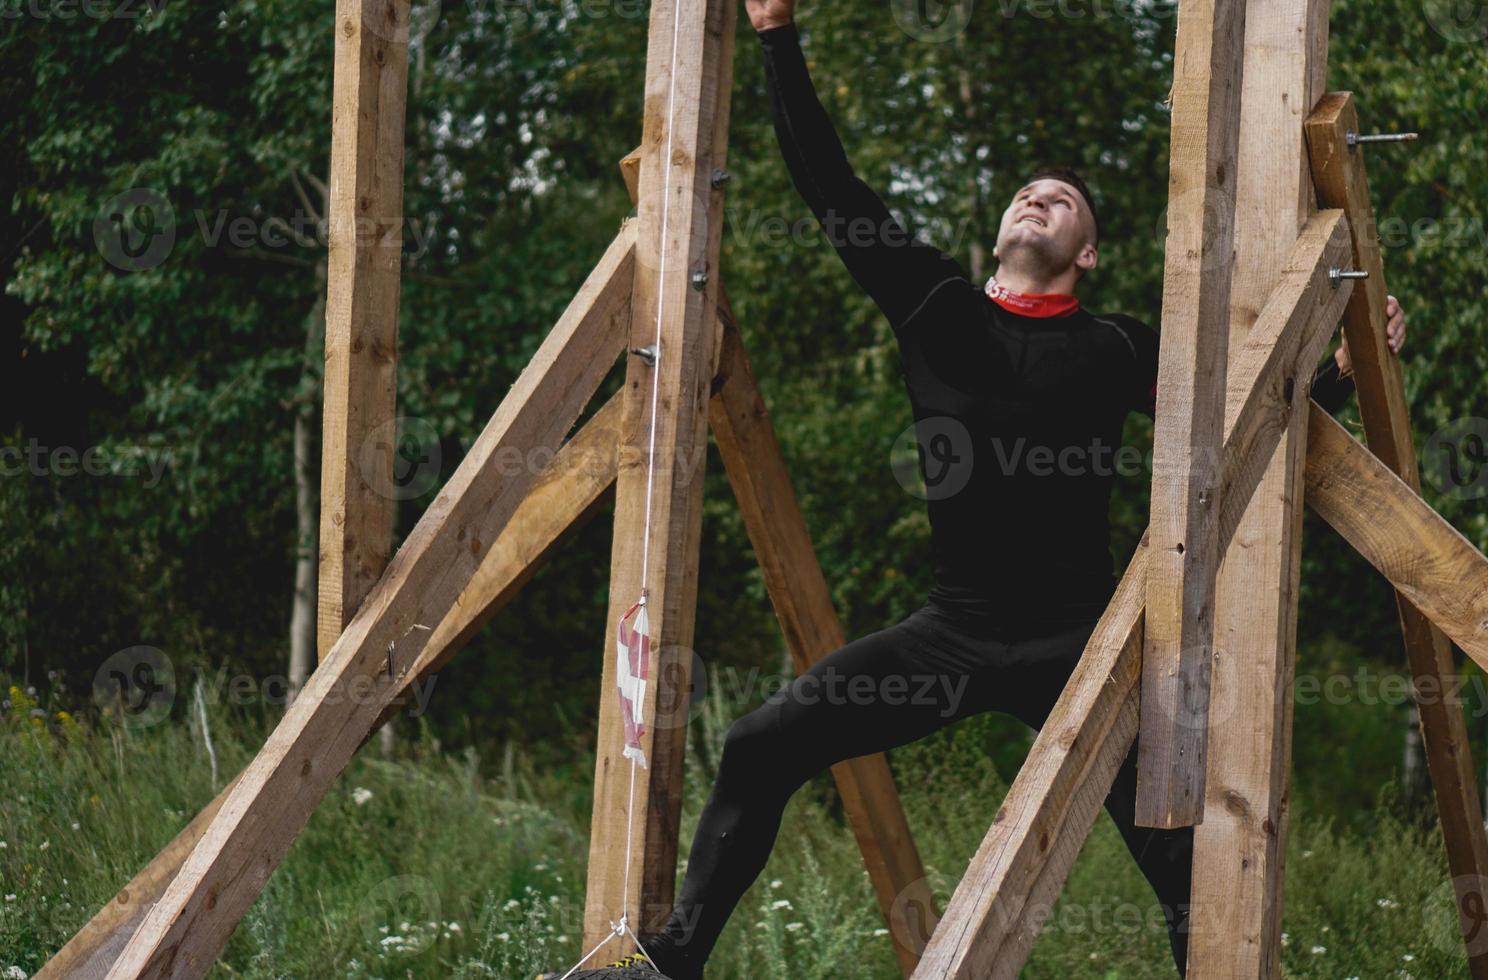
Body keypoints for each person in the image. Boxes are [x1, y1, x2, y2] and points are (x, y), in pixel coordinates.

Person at [546, 0, 1406, 975]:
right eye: (1023, 194)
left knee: (1182, 858)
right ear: (997, 234)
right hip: (949, 636)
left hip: (1079, 646)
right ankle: (670, 962)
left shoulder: (1116, 345)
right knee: (755, 743)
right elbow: (830, 186)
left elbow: (1242, 414)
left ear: (1085, 252)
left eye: (1060, 198)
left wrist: (1341, 366)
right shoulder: (935, 311)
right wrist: (778, 35)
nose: (1035, 199)